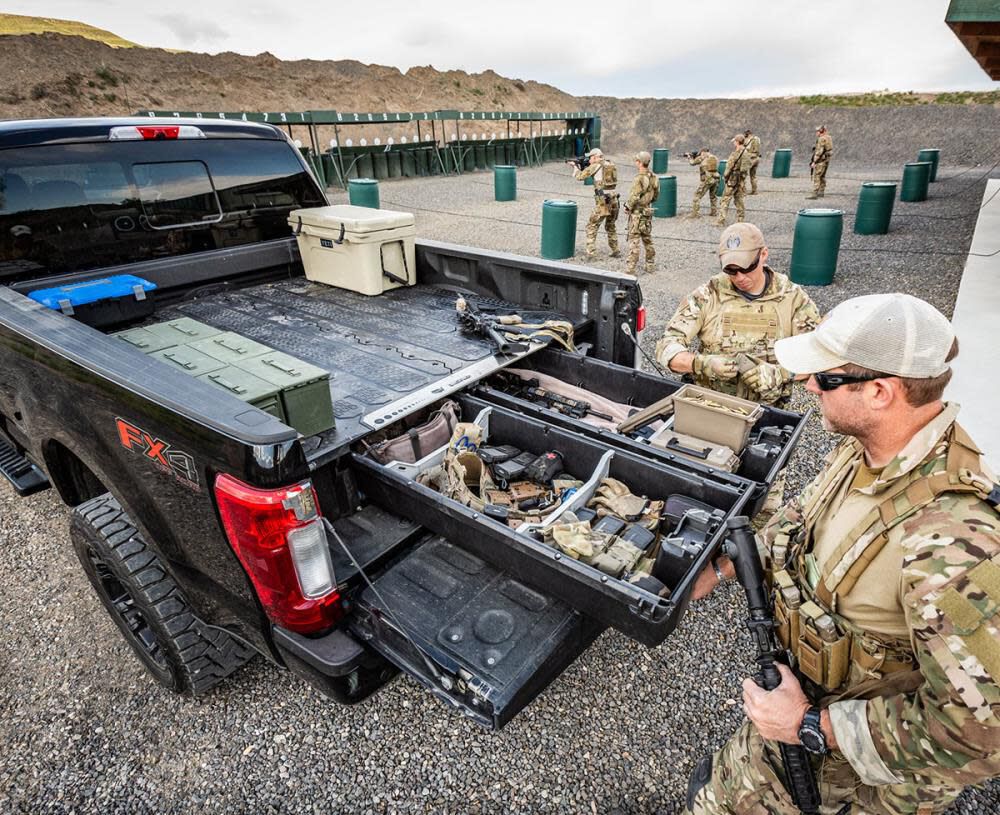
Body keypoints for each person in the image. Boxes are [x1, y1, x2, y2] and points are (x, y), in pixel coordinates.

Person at [685, 293, 1000, 815]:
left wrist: (812, 726)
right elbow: (797, 526)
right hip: (789, 721)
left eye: (825, 379)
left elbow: (981, 731)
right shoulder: (865, 449)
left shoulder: (956, 543)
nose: (810, 386)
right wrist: (719, 567)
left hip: (856, 780)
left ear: (880, 392)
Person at [655, 222, 820, 406]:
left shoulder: (792, 298)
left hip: (767, 412)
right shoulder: (709, 295)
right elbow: (667, 346)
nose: (740, 277)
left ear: (763, 254)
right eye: (731, 270)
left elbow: (819, 358)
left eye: (747, 267)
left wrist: (780, 373)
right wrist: (702, 364)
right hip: (708, 407)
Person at [570, 147, 620, 259]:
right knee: (611, 226)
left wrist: (575, 167)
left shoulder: (595, 166)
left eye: (590, 157)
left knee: (591, 226)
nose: (589, 160)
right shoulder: (610, 164)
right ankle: (615, 249)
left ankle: (591, 254)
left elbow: (580, 177)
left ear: (594, 157)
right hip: (614, 199)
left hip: (603, 201)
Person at [624, 151, 659, 275]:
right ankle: (650, 264)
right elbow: (656, 196)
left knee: (634, 240)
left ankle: (630, 269)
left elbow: (634, 196)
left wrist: (628, 207)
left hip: (637, 213)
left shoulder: (639, 178)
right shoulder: (654, 177)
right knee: (647, 238)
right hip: (647, 211)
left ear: (639, 162)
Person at [715, 134, 752, 226]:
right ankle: (740, 219)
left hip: (732, 179)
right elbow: (746, 168)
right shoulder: (746, 152)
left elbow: (729, 167)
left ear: (737, 142)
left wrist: (725, 176)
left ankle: (720, 221)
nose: (734, 143)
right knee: (738, 199)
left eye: (735, 141)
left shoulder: (736, 153)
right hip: (740, 180)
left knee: (725, 199)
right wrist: (742, 178)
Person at [685, 148, 719, 219]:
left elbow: (692, 163)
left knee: (697, 196)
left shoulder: (702, 157)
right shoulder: (714, 157)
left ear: (703, 152)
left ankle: (695, 213)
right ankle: (714, 212)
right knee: (713, 196)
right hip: (716, 178)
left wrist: (689, 157)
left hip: (707, 179)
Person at [808, 125, 833, 199]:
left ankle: (814, 194)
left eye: (818, 131)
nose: (817, 133)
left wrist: (814, 162)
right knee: (822, 176)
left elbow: (819, 152)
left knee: (817, 176)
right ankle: (821, 191)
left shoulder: (821, 139)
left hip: (821, 160)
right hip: (826, 159)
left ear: (822, 131)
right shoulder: (828, 137)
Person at [743, 128, 762, 195]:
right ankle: (754, 190)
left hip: (751, 158)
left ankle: (743, 191)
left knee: (743, 174)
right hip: (757, 158)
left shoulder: (750, 140)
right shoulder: (757, 139)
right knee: (753, 175)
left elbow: (746, 148)